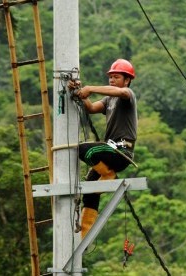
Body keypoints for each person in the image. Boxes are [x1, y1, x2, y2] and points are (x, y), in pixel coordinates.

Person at [68, 58, 138, 238]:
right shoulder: (108, 100)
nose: (112, 80)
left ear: (127, 80)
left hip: (121, 151)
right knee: (91, 191)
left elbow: (121, 93)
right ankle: (83, 237)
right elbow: (91, 108)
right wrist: (79, 93)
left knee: (85, 150)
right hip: (109, 151)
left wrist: (90, 88)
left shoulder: (127, 95)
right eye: (111, 77)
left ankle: (107, 174)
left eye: (116, 77)